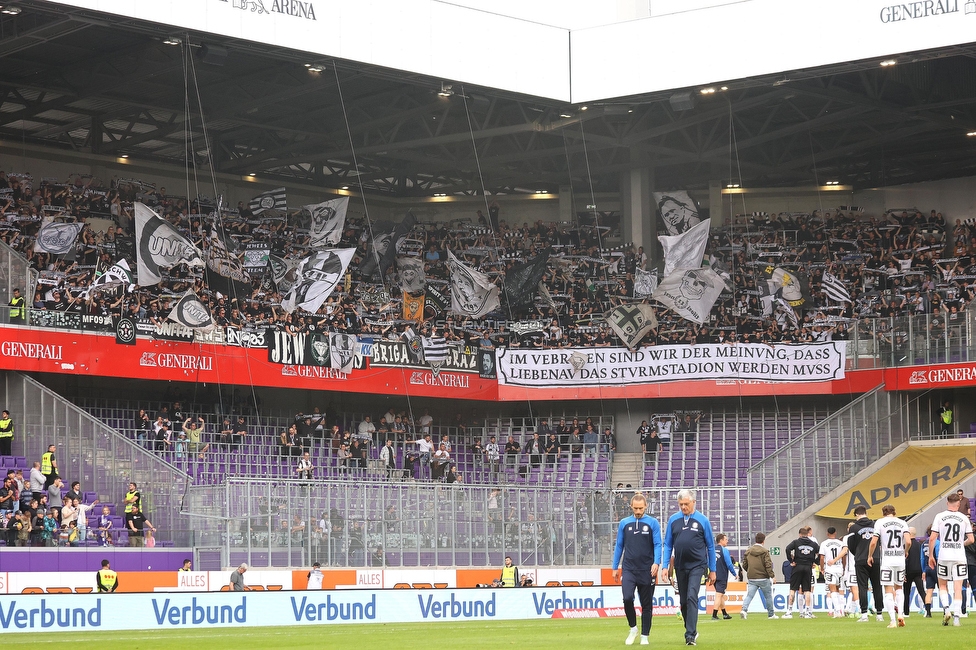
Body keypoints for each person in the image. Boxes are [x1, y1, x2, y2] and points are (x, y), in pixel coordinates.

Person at [660, 489, 716, 647]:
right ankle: (691, 629)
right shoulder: (673, 520)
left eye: (686, 504)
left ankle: (690, 635)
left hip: (697, 566)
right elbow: (668, 544)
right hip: (680, 566)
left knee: (692, 596)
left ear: (694, 503)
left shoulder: (703, 520)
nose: (683, 507)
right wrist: (665, 566)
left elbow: (710, 547)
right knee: (684, 601)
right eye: (681, 504)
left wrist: (712, 570)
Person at [612, 492, 662, 646]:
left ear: (646, 506)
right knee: (627, 598)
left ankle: (644, 636)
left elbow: (658, 544)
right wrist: (615, 567)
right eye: (635, 508)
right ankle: (633, 628)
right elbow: (619, 545)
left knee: (646, 605)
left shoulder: (652, 523)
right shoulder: (624, 523)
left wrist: (656, 562)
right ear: (631, 507)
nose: (638, 511)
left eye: (641, 508)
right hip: (629, 569)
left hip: (647, 570)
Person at [929, 492, 974, 626]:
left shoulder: (940, 516)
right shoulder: (964, 518)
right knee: (958, 587)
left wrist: (931, 555)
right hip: (959, 556)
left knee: (942, 585)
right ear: (959, 504)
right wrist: (961, 543)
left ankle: (946, 610)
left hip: (944, 556)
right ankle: (957, 618)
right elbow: (971, 539)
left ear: (947, 503)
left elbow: (932, 538)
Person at [868, 504, 911, 628]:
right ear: (895, 512)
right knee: (899, 588)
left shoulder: (880, 523)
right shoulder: (902, 523)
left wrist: (870, 555)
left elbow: (873, 542)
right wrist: (905, 551)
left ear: (883, 513)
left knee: (888, 589)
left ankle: (892, 619)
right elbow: (908, 541)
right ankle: (901, 614)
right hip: (900, 560)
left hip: (887, 560)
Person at [849, 505, 885, 622]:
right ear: (866, 513)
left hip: (861, 560)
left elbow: (851, 545)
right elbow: (879, 541)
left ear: (856, 515)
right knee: (877, 586)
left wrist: (859, 553)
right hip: (875, 558)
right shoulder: (875, 524)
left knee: (862, 587)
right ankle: (879, 614)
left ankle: (864, 614)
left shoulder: (853, 528)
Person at [739, 532, 778, 619]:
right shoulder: (765, 552)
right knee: (768, 596)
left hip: (752, 578)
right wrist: (772, 576)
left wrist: (750, 570)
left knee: (749, 595)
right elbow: (768, 565)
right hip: (763, 578)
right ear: (763, 541)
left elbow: (744, 564)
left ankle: (744, 610)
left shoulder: (748, 551)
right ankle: (771, 614)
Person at [784, 526, 820, 618]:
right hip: (808, 567)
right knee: (807, 590)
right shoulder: (813, 543)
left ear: (800, 534)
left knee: (793, 589)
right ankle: (808, 612)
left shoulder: (796, 542)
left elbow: (788, 549)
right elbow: (821, 553)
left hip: (797, 566)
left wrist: (791, 561)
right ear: (807, 534)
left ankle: (789, 612)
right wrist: (815, 562)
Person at [820, 527, 847, 618]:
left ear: (827, 533)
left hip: (830, 568)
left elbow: (822, 557)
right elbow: (843, 556)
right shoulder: (841, 543)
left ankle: (837, 610)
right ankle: (842, 610)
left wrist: (822, 568)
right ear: (835, 533)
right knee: (840, 589)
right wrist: (844, 567)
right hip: (839, 568)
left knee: (832, 590)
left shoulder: (824, 543)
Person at [711, 533, 737, 620]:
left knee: (720, 594)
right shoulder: (724, 550)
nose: (727, 541)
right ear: (721, 540)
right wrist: (734, 574)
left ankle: (725, 614)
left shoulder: (712, 549)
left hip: (713, 575)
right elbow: (729, 564)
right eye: (726, 539)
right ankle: (714, 615)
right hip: (722, 575)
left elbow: (708, 562)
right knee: (719, 595)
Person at [902, 526, 924, 619]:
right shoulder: (920, 545)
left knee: (906, 592)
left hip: (908, 571)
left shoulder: (905, 546)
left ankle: (906, 612)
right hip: (918, 570)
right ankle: (927, 610)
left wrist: (904, 573)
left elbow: (904, 560)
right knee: (921, 591)